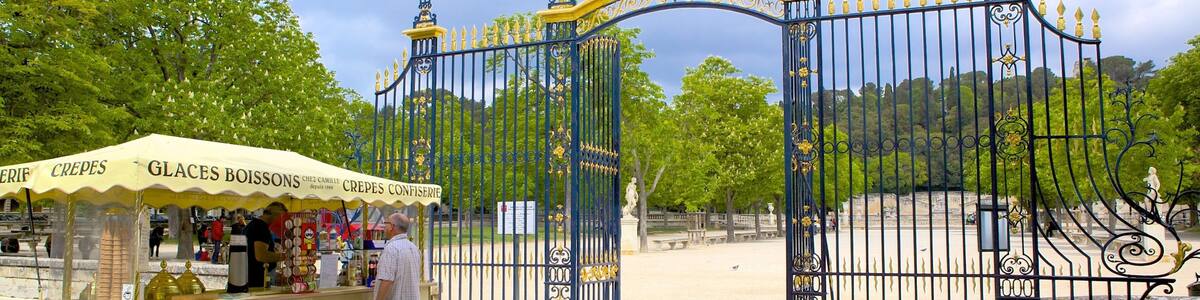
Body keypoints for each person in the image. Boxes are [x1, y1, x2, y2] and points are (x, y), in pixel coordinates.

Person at [373, 213, 420, 300]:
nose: (384, 227)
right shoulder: (413, 247)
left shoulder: (391, 249)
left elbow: (387, 281)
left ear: (391, 226)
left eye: (385, 223)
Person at [244, 202, 287, 288]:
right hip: (256, 280)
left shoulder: (253, 224)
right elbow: (261, 256)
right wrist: (285, 256)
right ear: (275, 215)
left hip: (247, 276)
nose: (282, 222)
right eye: (282, 218)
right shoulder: (261, 227)